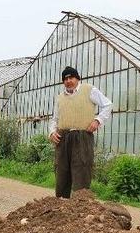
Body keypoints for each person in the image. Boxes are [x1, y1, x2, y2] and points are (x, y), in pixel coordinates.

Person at [48, 66, 112, 198]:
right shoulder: (60, 97)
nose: (68, 81)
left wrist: (97, 120)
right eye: (65, 79)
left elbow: (108, 104)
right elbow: (55, 119)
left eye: (71, 77)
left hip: (82, 137)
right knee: (61, 172)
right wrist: (52, 133)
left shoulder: (89, 90)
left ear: (77, 78)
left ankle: (81, 207)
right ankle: (61, 204)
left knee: (82, 169)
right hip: (62, 137)